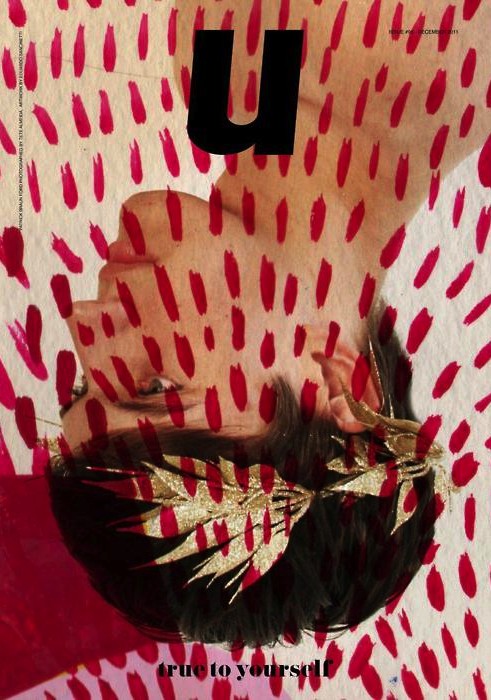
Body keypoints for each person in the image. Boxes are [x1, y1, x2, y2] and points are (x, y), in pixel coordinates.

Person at [49, 0, 490, 646]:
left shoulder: (211, 76)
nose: (84, 322)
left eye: (83, 385)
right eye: (155, 387)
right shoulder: (444, 44)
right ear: (340, 388)